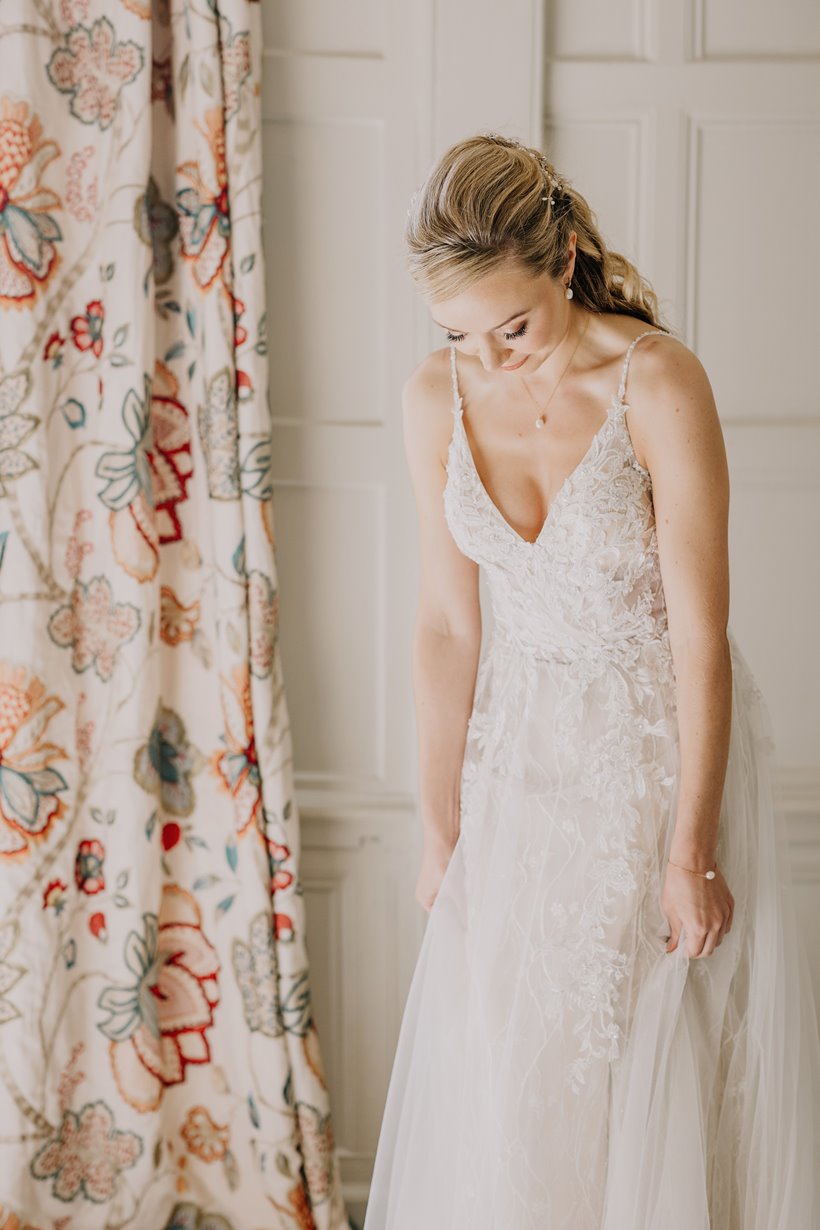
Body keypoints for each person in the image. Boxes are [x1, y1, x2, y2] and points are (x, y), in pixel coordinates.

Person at [362, 133, 820, 1230]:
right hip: (519, 767)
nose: (491, 358)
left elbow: (700, 638)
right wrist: (440, 828)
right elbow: (440, 623)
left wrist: (689, 851)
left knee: (642, 1068)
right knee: (513, 1074)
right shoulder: (437, 397)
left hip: (654, 762)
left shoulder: (655, 382)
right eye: (460, 335)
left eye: (511, 326)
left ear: (564, 258)